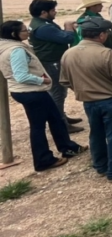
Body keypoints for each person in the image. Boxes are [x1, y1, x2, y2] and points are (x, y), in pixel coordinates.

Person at [60, 17, 112, 181]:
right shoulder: (107, 54)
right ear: (102, 35)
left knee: (96, 134)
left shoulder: (68, 53)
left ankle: (101, 166)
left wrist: (84, 89)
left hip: (89, 103)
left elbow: (65, 80)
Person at [0, 21, 87, 172]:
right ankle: (44, 159)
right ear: (14, 34)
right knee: (39, 126)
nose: (28, 32)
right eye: (24, 31)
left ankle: (67, 147)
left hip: (23, 91)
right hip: (31, 91)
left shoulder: (5, 47)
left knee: (53, 119)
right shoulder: (16, 50)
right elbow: (21, 75)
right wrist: (43, 80)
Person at [27, 0, 86, 134]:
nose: (55, 12)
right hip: (51, 62)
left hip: (50, 60)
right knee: (58, 93)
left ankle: (62, 117)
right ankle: (61, 123)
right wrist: (68, 28)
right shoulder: (44, 27)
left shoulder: (40, 23)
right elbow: (67, 38)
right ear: (43, 12)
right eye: (53, 10)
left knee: (59, 92)